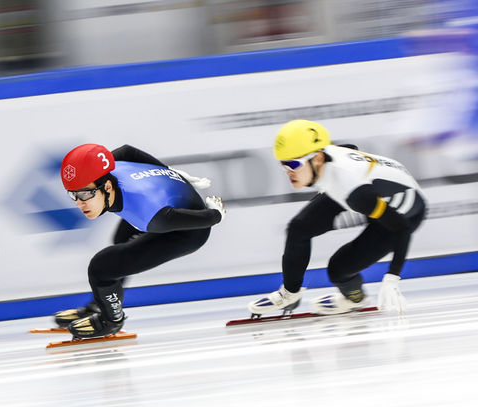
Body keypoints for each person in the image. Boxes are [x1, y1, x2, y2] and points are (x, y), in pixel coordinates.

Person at [248, 120, 426, 317]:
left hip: (404, 213)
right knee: (298, 228)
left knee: (338, 269)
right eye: (283, 165)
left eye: (293, 164)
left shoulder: (354, 191)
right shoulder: (327, 158)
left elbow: (401, 227)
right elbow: (350, 149)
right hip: (370, 191)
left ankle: (355, 299)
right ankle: (290, 294)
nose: (288, 172)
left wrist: (392, 277)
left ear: (317, 159)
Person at [55, 144, 225, 339]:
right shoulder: (110, 167)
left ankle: (110, 321)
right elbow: (128, 151)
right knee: (120, 241)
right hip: (166, 202)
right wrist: (168, 172)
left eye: (85, 194)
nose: (80, 203)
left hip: (187, 232)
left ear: (107, 187)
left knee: (101, 268)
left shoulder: (148, 215)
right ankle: (102, 303)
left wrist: (214, 214)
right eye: (74, 195)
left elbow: (207, 219)